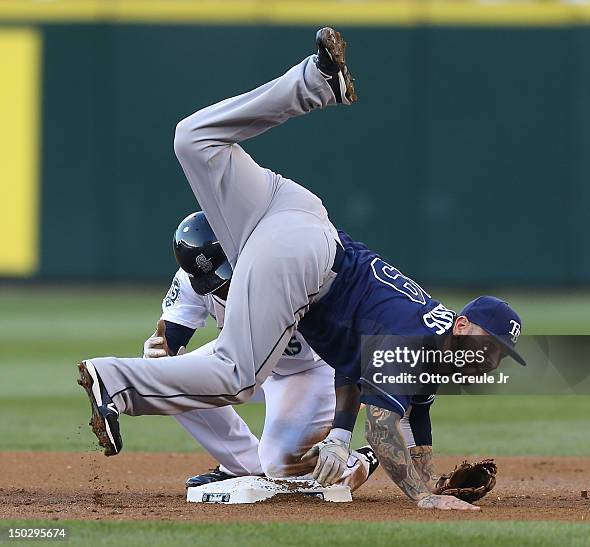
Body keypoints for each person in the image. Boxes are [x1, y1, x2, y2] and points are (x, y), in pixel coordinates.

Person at [78, 28, 526, 510]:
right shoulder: (416, 344)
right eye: (491, 346)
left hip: (293, 212)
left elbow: (413, 414)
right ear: (462, 325)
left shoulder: (432, 341)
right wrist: (423, 497)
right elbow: (380, 425)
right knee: (235, 375)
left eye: (499, 354)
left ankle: (314, 82)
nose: (491, 359)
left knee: (194, 139)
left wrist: (427, 477)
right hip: (303, 256)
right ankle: (117, 382)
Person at [141, 211, 378, 490]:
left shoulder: (288, 267)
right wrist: (159, 354)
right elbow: (170, 337)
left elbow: (353, 342)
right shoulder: (195, 276)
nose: (224, 286)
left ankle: (358, 461)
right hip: (242, 355)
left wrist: (342, 427)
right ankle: (243, 465)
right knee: (167, 376)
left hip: (307, 369)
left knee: (284, 468)